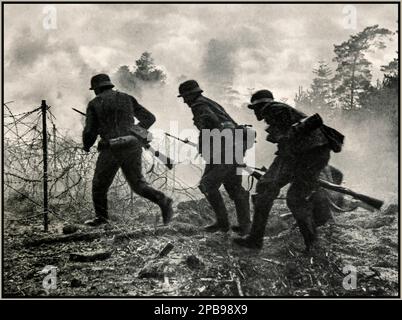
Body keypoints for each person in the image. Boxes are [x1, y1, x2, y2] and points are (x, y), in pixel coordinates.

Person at [233, 89, 343, 251]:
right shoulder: (281, 110)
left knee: (273, 191)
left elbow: (290, 137)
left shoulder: (273, 109)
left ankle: (256, 239)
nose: (255, 112)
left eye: (255, 108)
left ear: (261, 105)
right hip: (310, 155)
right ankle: (311, 245)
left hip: (304, 155)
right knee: (288, 195)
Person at [83, 73, 173, 227]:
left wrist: (87, 145)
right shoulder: (127, 98)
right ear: (109, 85)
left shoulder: (95, 103)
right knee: (138, 185)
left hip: (110, 148)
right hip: (132, 145)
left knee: (99, 185)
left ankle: (102, 219)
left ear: (96, 89)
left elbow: (90, 131)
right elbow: (149, 118)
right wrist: (134, 131)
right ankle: (163, 200)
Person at [177, 80, 251, 235]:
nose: (184, 101)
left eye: (185, 97)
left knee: (207, 185)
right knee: (234, 187)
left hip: (224, 150)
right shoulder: (210, 103)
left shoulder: (199, 106)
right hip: (234, 147)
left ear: (191, 95)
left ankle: (223, 224)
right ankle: (245, 226)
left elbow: (212, 125)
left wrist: (205, 142)